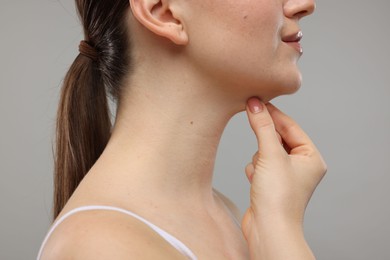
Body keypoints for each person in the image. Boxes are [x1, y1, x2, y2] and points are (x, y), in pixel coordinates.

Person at [37, 0, 326, 259]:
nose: (306, 5)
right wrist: (283, 234)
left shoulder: (235, 221)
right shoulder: (101, 249)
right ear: (164, 13)